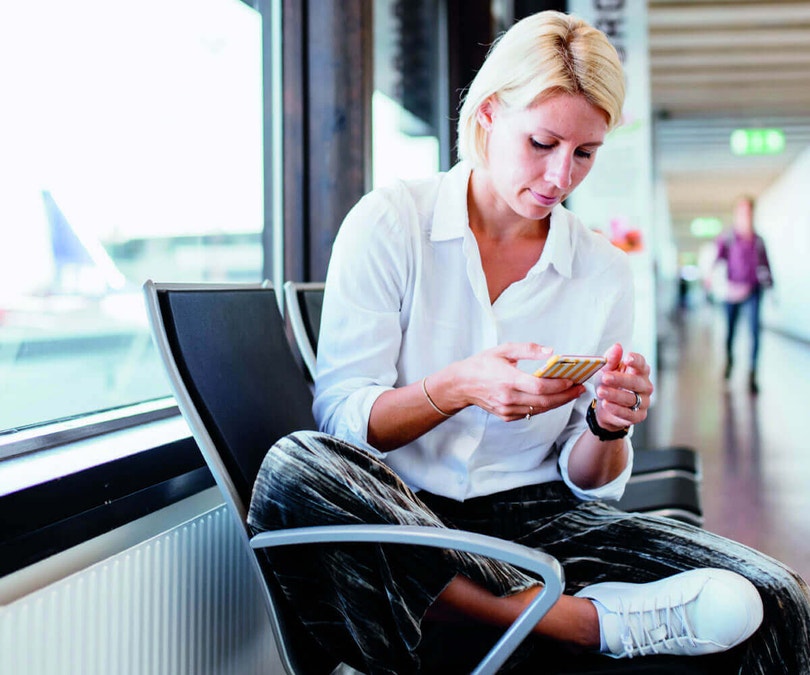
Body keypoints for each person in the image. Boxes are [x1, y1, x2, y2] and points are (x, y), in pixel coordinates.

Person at [248, 11, 810, 674]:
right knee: (293, 469)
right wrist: (460, 385)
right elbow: (345, 423)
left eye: (584, 153)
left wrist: (606, 426)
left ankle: (497, 605)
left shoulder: (601, 270)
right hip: (406, 519)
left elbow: (588, 481)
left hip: (538, 523)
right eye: (542, 142)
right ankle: (582, 622)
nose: (559, 176)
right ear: (488, 114)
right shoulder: (391, 224)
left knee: (779, 598)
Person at [714, 196, 773, 394]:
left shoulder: (758, 241)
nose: (745, 215)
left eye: (749, 211)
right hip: (732, 292)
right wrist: (713, 280)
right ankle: (730, 361)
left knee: (755, 332)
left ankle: (753, 373)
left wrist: (772, 286)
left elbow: (766, 265)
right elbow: (717, 261)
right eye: (742, 211)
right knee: (731, 331)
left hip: (753, 290)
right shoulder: (728, 238)